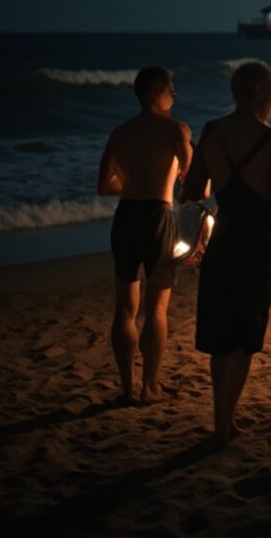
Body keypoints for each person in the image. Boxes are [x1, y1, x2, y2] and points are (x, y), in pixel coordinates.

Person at [180, 61, 271, 448]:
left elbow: (192, 192)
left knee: (219, 332)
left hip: (224, 240)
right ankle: (227, 421)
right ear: (260, 92)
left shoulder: (211, 132)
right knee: (245, 333)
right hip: (257, 242)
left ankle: (219, 421)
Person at [97, 67, 192, 405]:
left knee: (124, 307)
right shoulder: (175, 129)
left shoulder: (120, 133)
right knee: (157, 308)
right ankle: (149, 386)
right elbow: (193, 185)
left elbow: (104, 184)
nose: (175, 95)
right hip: (158, 216)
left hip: (126, 216)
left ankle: (127, 388)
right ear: (156, 91)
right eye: (172, 89)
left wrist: (135, 182)